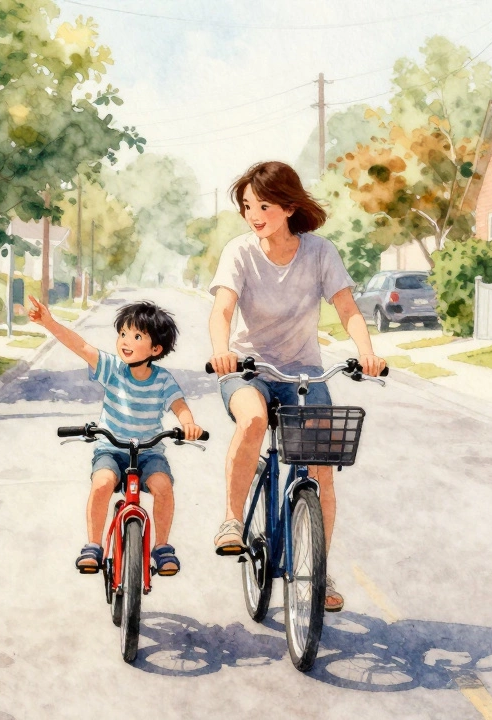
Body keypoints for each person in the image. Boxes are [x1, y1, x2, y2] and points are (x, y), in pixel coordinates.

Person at [207, 160, 386, 612]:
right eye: (247, 206)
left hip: (304, 372)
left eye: (263, 205)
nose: (254, 214)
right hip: (247, 368)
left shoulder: (319, 253)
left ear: (288, 206)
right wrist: (220, 349)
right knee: (252, 419)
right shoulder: (240, 252)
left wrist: (367, 352)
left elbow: (347, 309)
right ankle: (232, 520)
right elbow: (222, 310)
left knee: (321, 469)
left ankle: (319, 573)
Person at [28, 296, 204, 577]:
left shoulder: (163, 379)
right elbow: (80, 345)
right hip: (111, 449)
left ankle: (162, 547)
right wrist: (49, 322)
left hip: (148, 452)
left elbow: (179, 406)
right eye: (123, 333)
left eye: (136, 336)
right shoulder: (111, 368)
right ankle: (94, 545)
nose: (126, 340)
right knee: (102, 484)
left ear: (155, 348)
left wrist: (189, 424)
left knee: (163, 487)